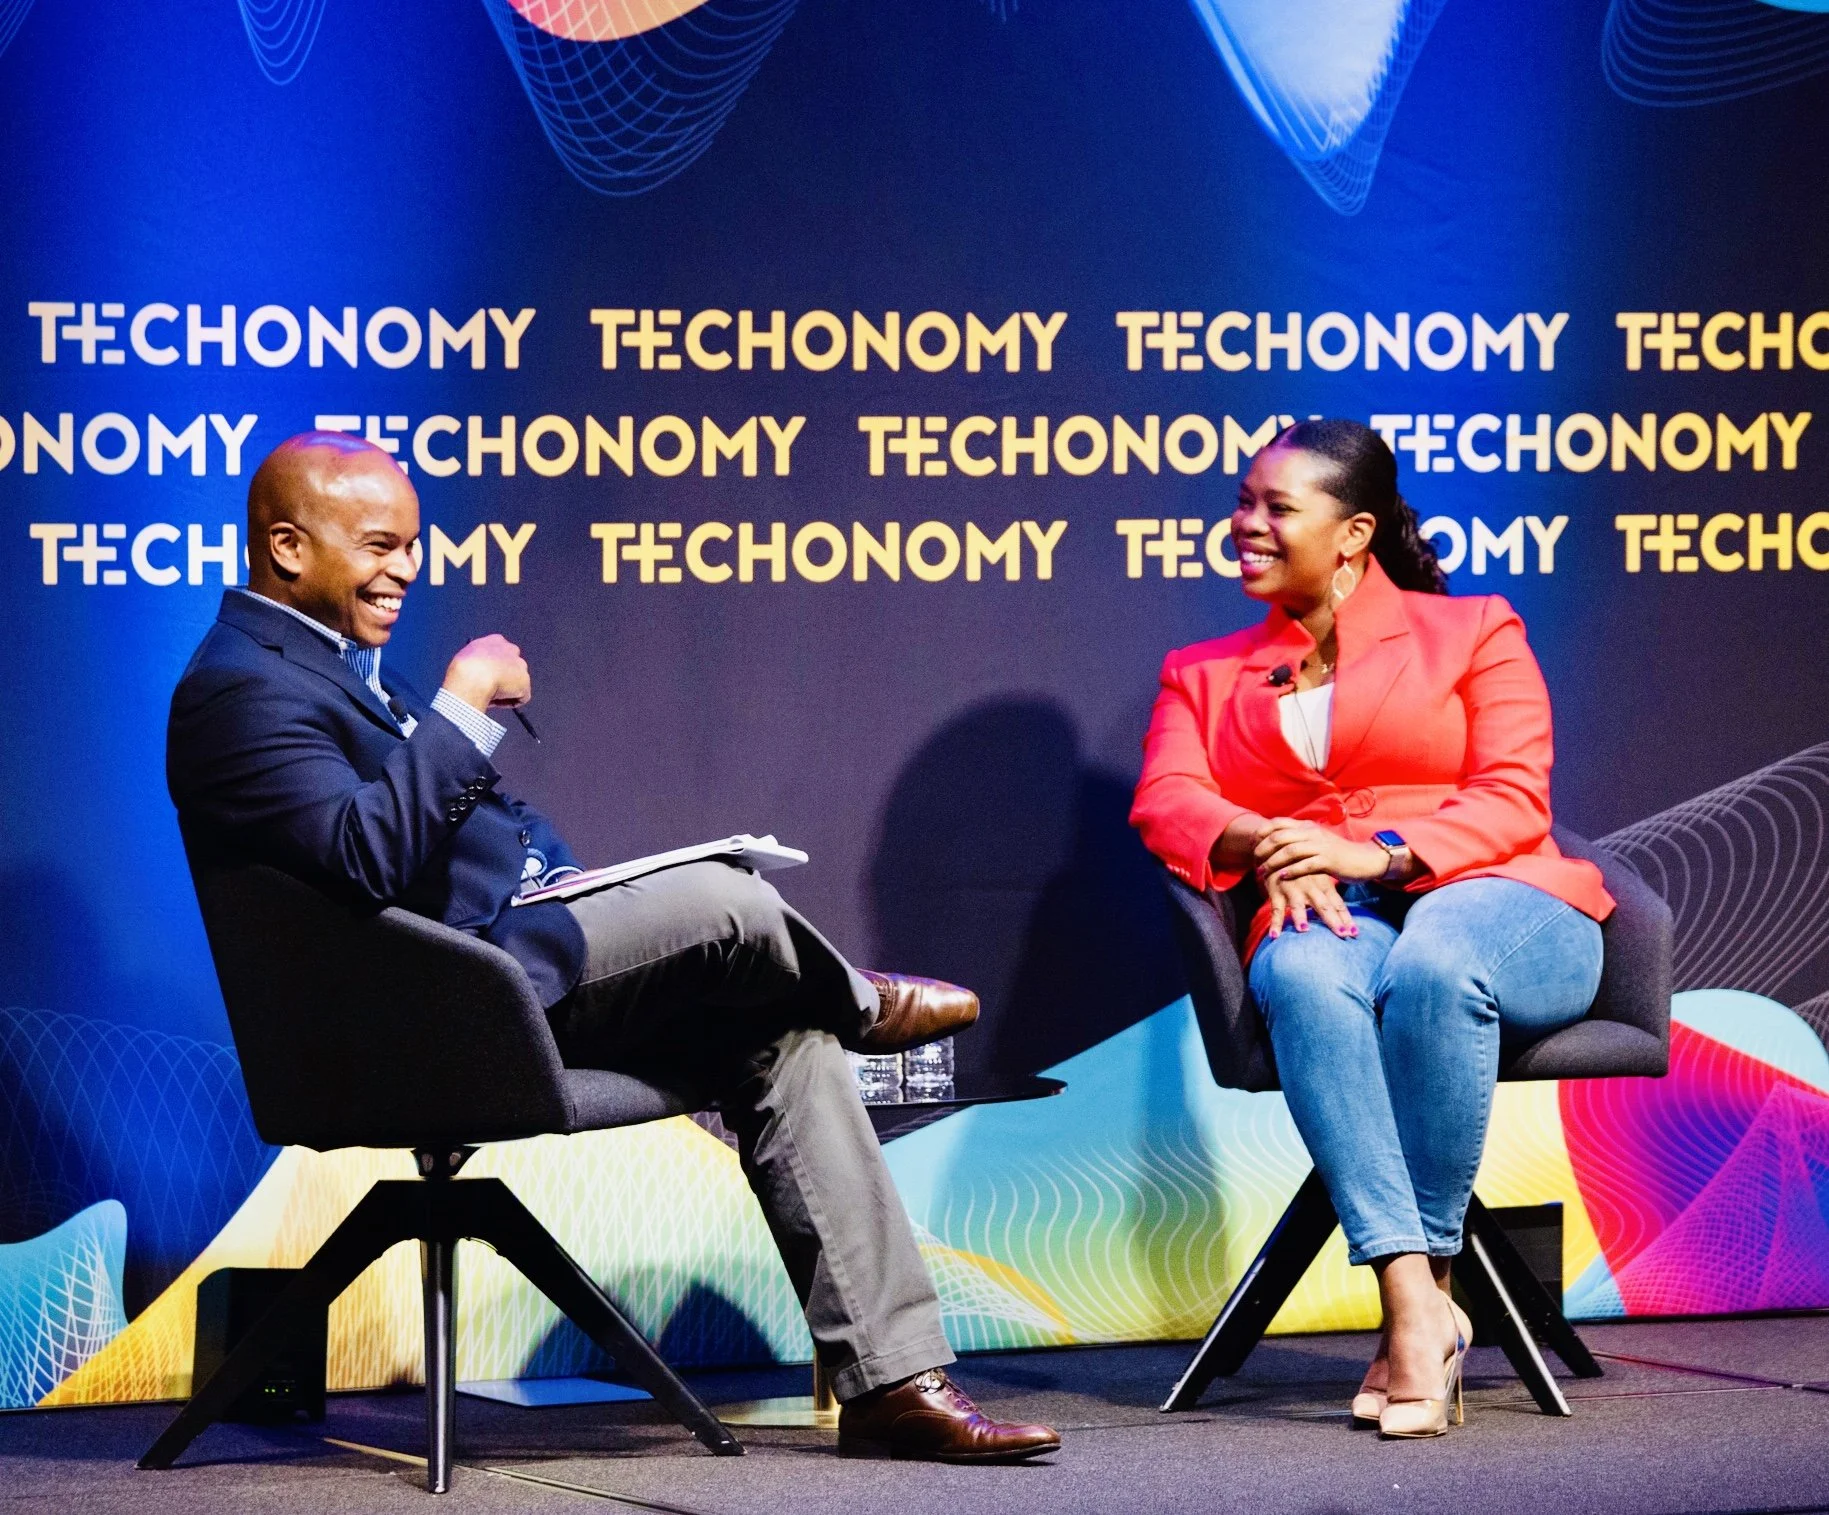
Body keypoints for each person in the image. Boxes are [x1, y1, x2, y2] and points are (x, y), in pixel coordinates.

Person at [167, 431, 1059, 1463]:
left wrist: (554, 875)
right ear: (286, 547)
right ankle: (864, 1002)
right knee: (729, 901)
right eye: (379, 544)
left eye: (413, 545)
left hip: (513, 966)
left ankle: (892, 1384)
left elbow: (499, 818)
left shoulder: (345, 669)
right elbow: (363, 858)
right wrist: (460, 705)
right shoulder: (237, 690)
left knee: (783, 1033)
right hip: (432, 1021)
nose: (406, 568)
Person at [1131, 419, 1612, 1438]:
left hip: (1503, 899)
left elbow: (1511, 798)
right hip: (1324, 908)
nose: (1244, 526)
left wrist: (1382, 852)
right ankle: (1413, 1301)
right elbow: (1166, 799)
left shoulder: (1473, 628)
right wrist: (1262, 836)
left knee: (1436, 964)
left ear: (1351, 534)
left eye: (1274, 509)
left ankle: (1426, 1282)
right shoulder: (1203, 672)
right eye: (1240, 502)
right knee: (1301, 978)